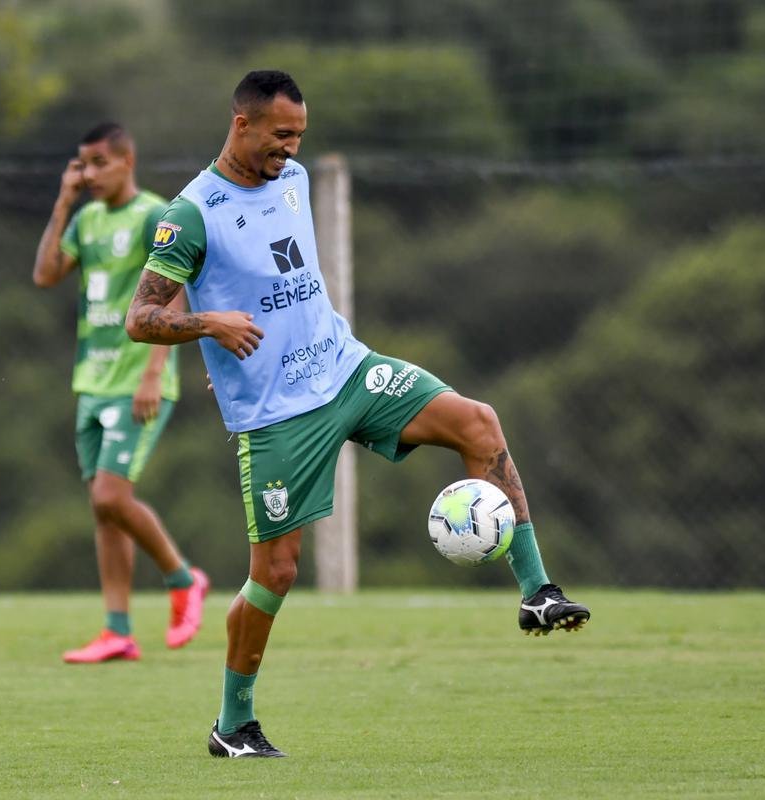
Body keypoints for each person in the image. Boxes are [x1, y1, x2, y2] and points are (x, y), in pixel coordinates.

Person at [125, 72, 589, 757]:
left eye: (300, 137)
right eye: (280, 135)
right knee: (276, 573)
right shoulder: (191, 214)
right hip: (279, 416)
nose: (291, 149)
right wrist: (209, 326)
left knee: (478, 423)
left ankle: (537, 592)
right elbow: (141, 319)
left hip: (347, 371)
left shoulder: (295, 179)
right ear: (242, 124)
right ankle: (234, 725)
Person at [33, 122, 208, 663]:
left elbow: (172, 296)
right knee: (104, 509)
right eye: (81, 165)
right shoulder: (85, 219)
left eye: (98, 163)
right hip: (92, 381)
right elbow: (45, 275)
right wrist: (62, 204)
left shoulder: (155, 215)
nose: (88, 174)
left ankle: (183, 579)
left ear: (126, 162)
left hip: (137, 382)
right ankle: (117, 629)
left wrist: (154, 373)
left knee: (111, 496)